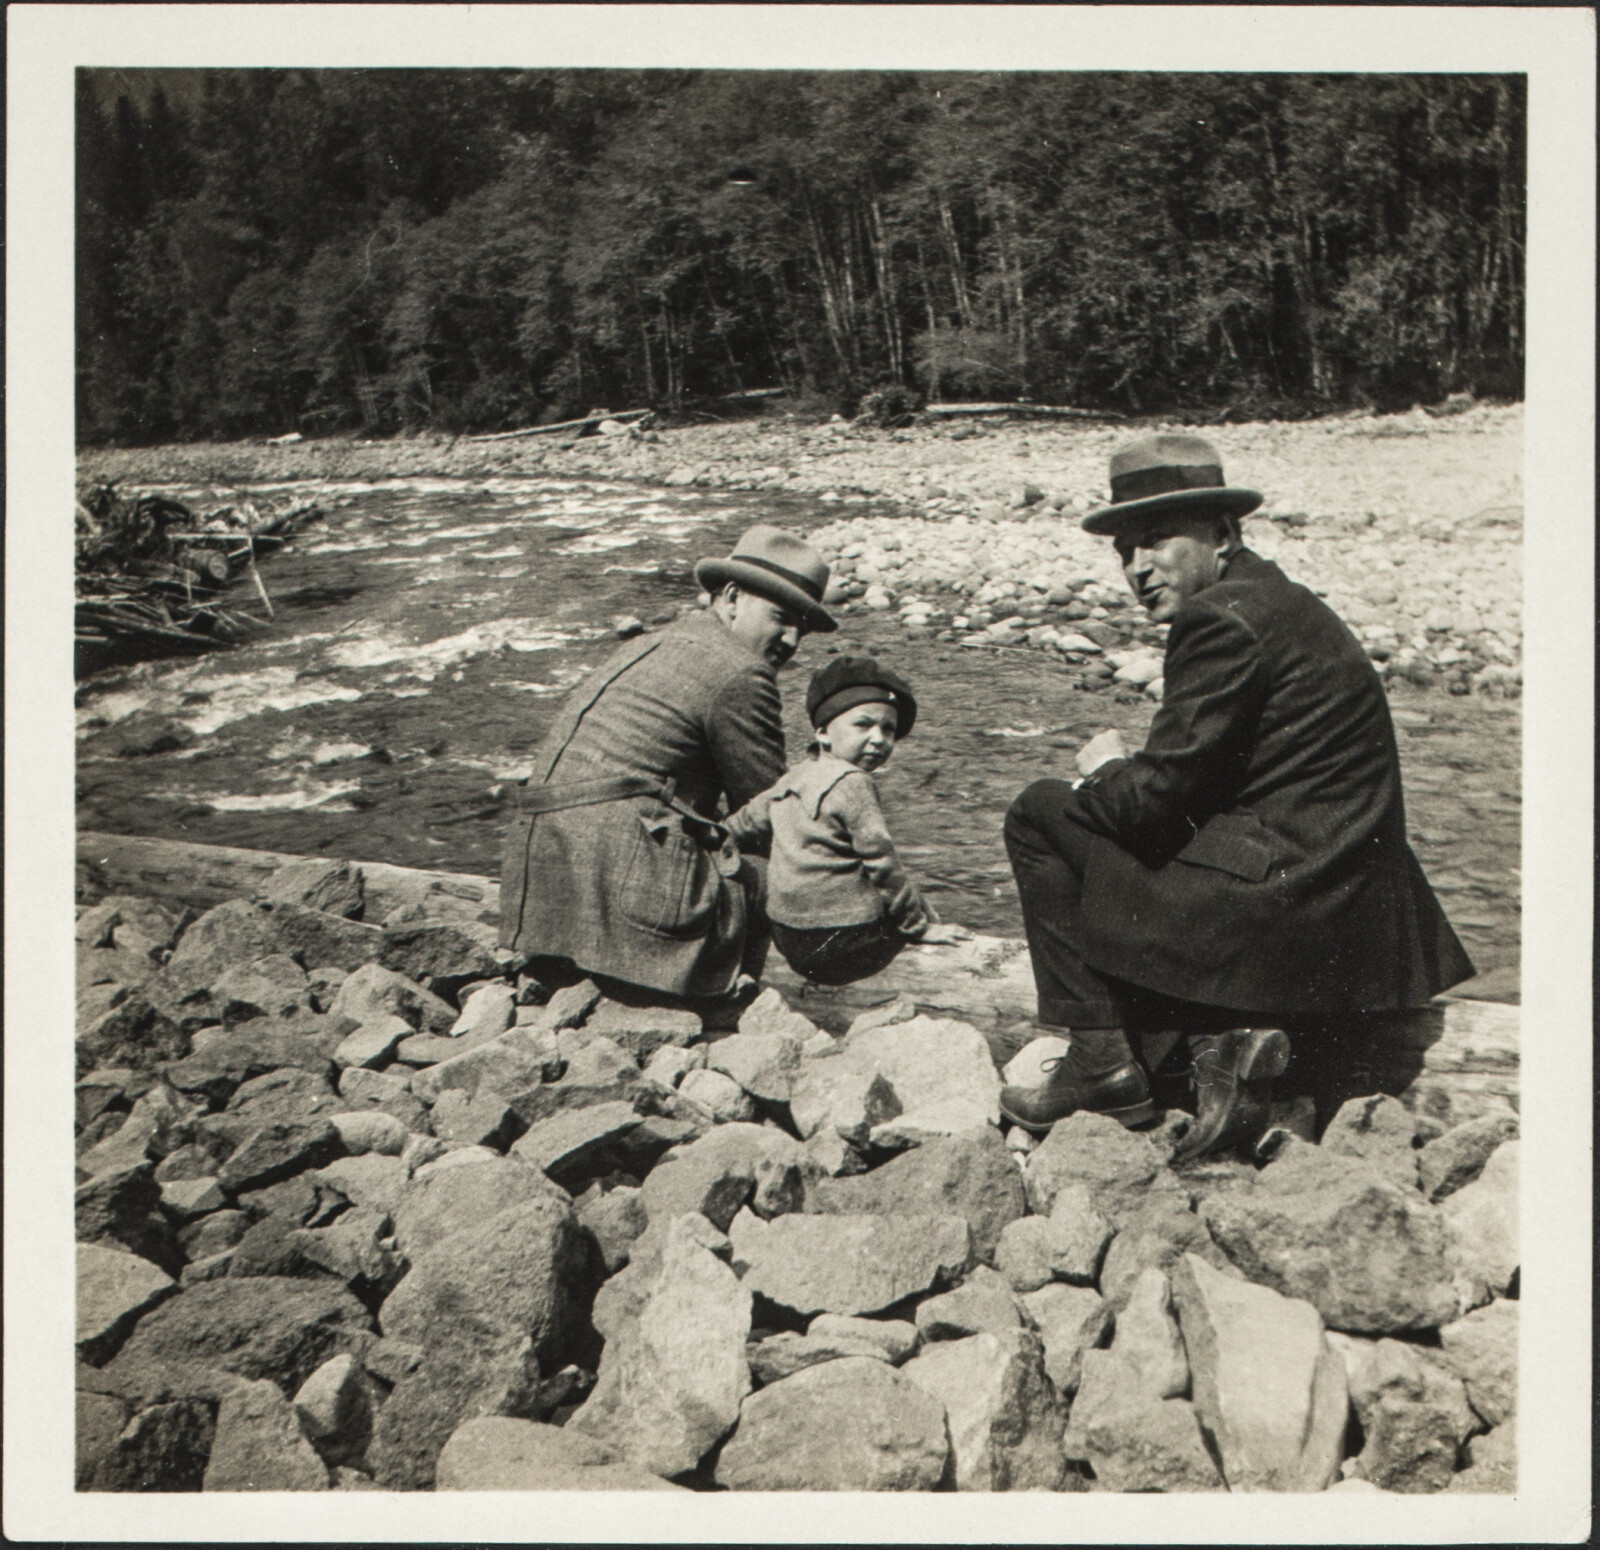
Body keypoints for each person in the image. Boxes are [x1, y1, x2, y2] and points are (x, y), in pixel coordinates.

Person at [999, 432, 1474, 1163]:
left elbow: (1149, 807)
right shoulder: (1283, 602)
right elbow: (1212, 780)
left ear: (1222, 533)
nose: (1136, 567)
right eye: (1124, 549)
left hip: (1288, 914)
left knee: (1040, 809)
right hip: (1353, 918)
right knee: (1134, 847)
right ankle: (1208, 1051)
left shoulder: (1219, 619)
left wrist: (1105, 769)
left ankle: (1100, 1059)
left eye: (1155, 540)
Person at [498, 523, 834, 1006]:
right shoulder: (742, 672)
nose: (791, 639)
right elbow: (771, 815)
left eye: (801, 627)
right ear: (733, 598)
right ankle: (729, 1003)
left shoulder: (651, 644)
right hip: (621, 879)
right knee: (777, 876)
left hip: (540, 880)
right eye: (781, 617)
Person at [727, 656, 967, 985]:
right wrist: (919, 926)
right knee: (899, 890)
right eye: (863, 725)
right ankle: (930, 931)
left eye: (888, 729)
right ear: (823, 732)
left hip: (789, 938)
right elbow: (883, 865)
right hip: (844, 946)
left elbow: (739, 826)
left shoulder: (793, 777)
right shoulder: (852, 782)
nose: (879, 739)